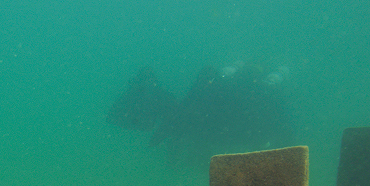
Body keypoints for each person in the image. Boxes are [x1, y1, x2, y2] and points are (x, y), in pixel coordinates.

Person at [108, 63, 294, 166]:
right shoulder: (224, 92)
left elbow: (180, 115)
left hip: (214, 127)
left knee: (187, 126)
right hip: (217, 128)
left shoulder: (217, 91)